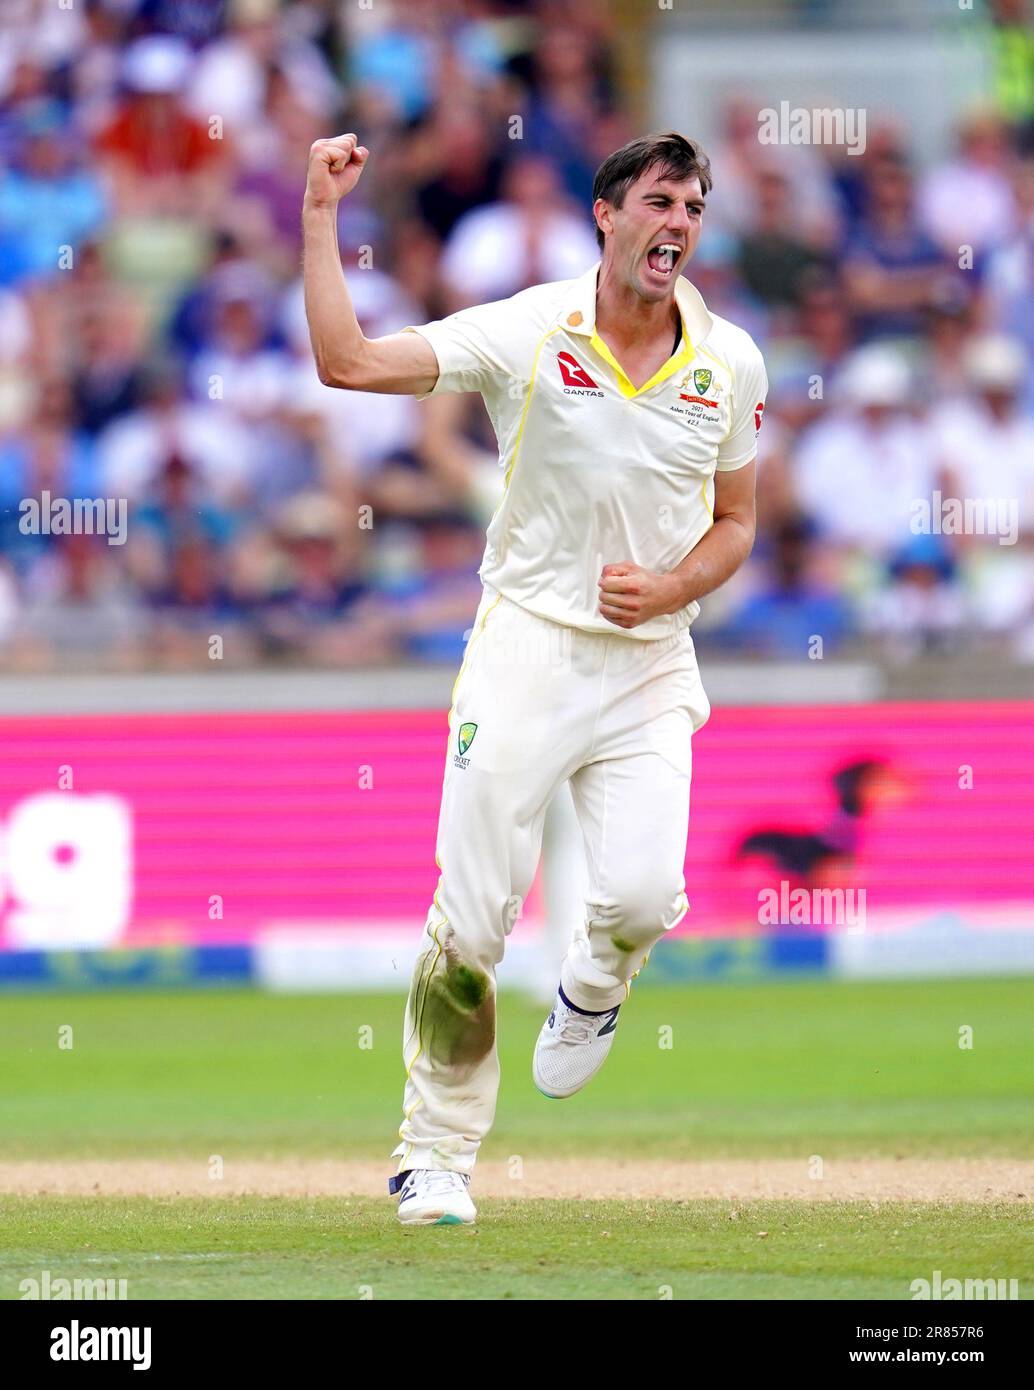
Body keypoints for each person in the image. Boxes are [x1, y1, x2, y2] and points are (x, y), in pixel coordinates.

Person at [302, 130, 767, 1226]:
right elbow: (348, 363)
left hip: (649, 659)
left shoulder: (729, 359)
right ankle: (433, 1155)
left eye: (694, 208)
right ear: (605, 215)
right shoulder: (529, 328)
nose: (679, 225)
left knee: (644, 900)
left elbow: (737, 522)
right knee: (468, 920)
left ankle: (593, 986)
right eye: (659, 201)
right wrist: (321, 217)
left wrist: (668, 589)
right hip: (523, 649)